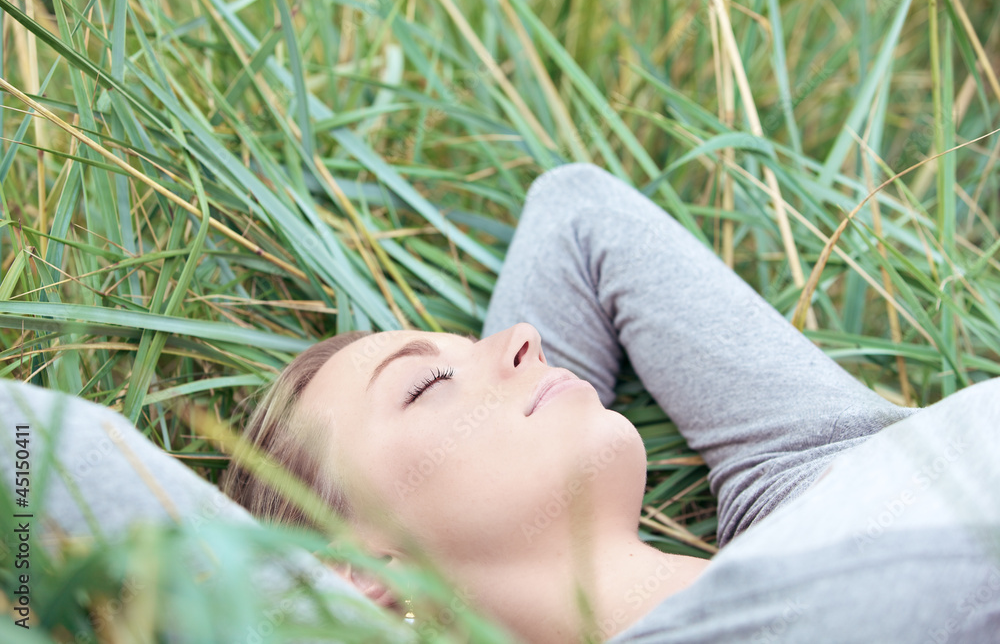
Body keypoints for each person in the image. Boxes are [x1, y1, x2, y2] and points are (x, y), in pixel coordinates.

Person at [221, 163, 1000, 643]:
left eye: (477, 344)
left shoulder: (808, 462)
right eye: (426, 384)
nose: (523, 336)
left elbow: (576, 215)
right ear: (359, 568)